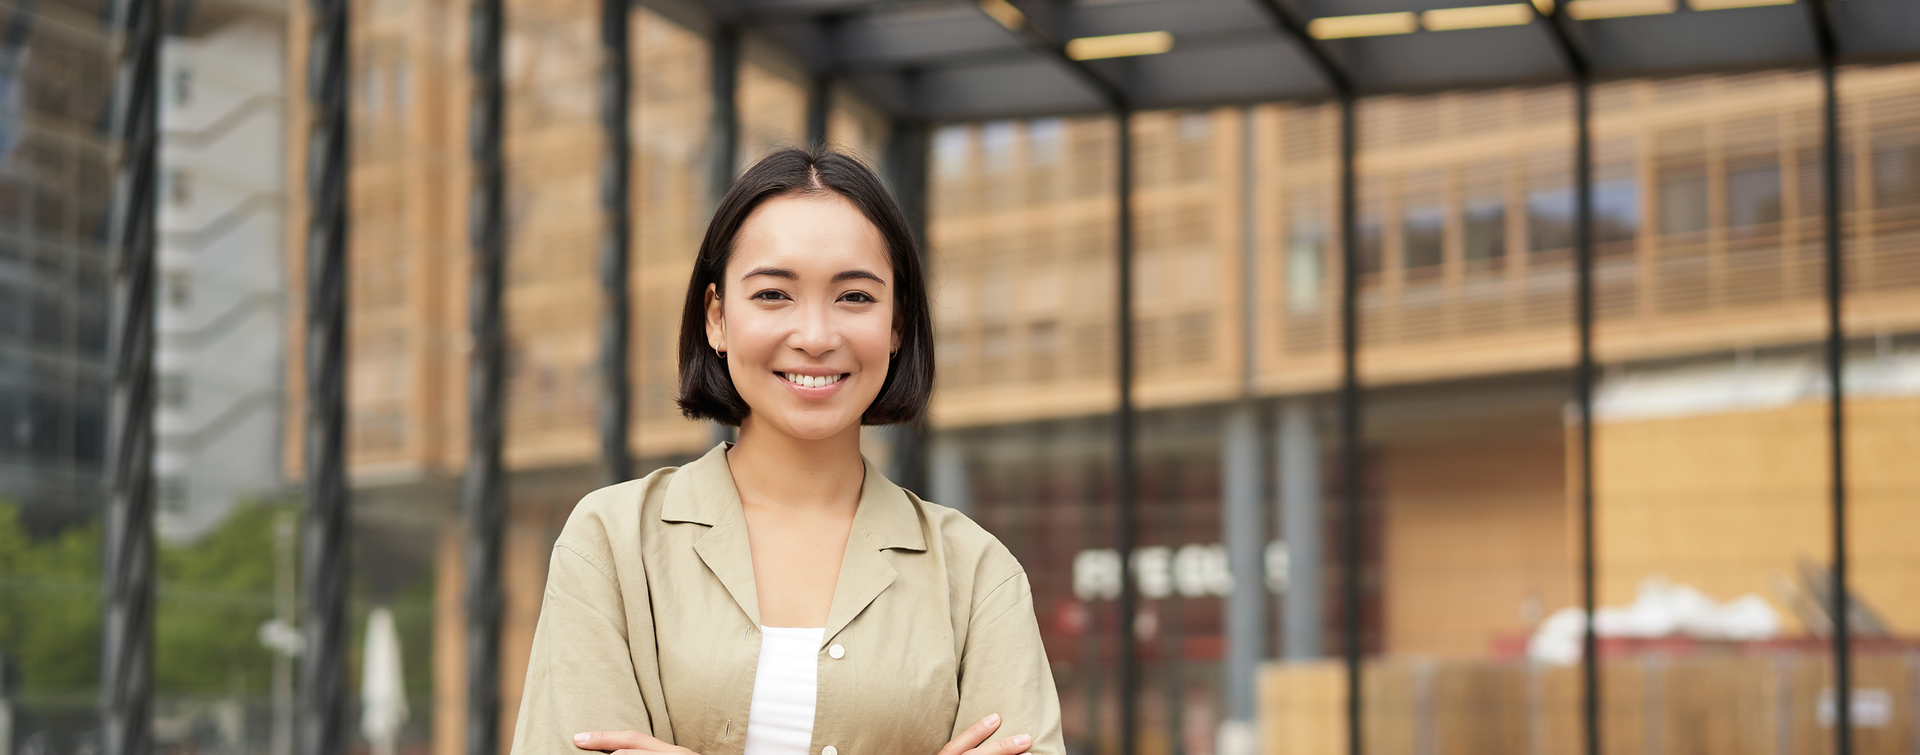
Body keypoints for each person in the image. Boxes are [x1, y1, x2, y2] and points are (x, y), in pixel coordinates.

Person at [510, 147, 1063, 755]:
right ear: (717, 318)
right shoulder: (612, 544)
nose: (816, 336)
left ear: (898, 325)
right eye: (774, 294)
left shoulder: (976, 574)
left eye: (854, 297)